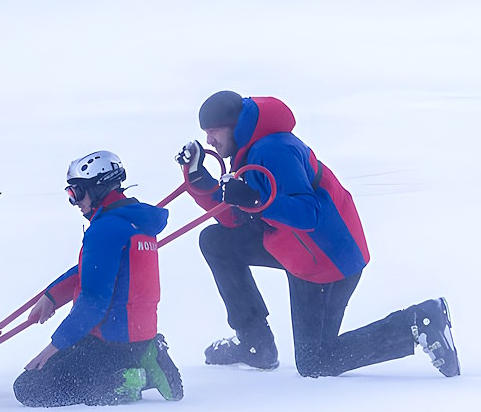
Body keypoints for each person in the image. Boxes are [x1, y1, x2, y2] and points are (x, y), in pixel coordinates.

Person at [178, 90, 458, 377]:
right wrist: (199, 177)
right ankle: (255, 344)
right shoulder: (248, 151)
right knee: (216, 241)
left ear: (236, 128)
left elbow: (308, 213)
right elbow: (236, 218)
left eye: (214, 132)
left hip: (327, 260)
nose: (209, 140)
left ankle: (421, 320)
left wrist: (256, 200)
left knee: (316, 362)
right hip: (294, 248)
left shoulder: (275, 150)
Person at [13, 152, 183, 407]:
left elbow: (93, 301)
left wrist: (52, 347)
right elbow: (93, 270)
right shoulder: (134, 221)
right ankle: (146, 354)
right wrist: (51, 295)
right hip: (136, 336)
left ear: (99, 187)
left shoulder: (105, 228)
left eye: (77, 193)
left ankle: (127, 379)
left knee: (29, 387)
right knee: (54, 370)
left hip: (110, 343)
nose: (75, 202)